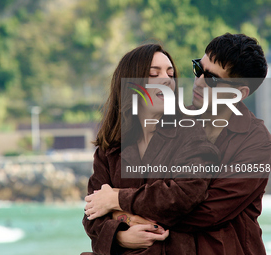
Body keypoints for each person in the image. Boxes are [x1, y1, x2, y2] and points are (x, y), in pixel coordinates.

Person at [86, 33, 271, 255]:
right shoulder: (169, 122)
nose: (199, 82)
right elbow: (96, 209)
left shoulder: (257, 143)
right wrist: (120, 236)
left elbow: (207, 211)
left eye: (212, 79)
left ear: (238, 93)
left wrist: (121, 207)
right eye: (198, 69)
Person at [82, 43, 220, 255]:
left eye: (170, 73)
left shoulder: (190, 132)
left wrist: (115, 200)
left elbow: (184, 195)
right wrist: (121, 236)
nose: (166, 79)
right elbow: (92, 212)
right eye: (154, 74)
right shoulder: (111, 146)